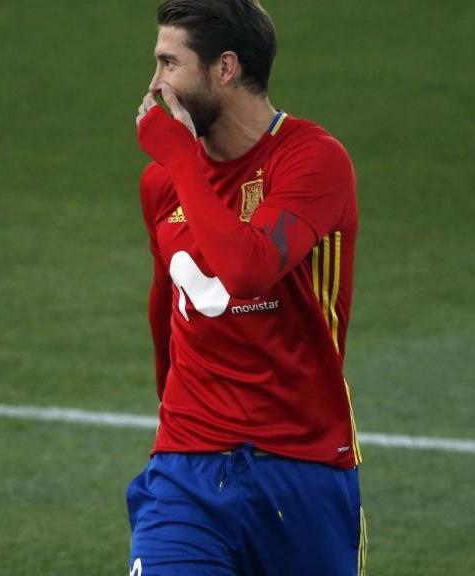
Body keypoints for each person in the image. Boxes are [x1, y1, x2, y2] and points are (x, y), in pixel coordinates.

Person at [127, 1, 365, 574]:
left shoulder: (312, 160)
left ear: (225, 68)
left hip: (301, 467)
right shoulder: (161, 181)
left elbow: (251, 269)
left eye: (168, 63)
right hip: (187, 470)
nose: (155, 85)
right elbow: (166, 308)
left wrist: (183, 161)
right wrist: (176, 425)